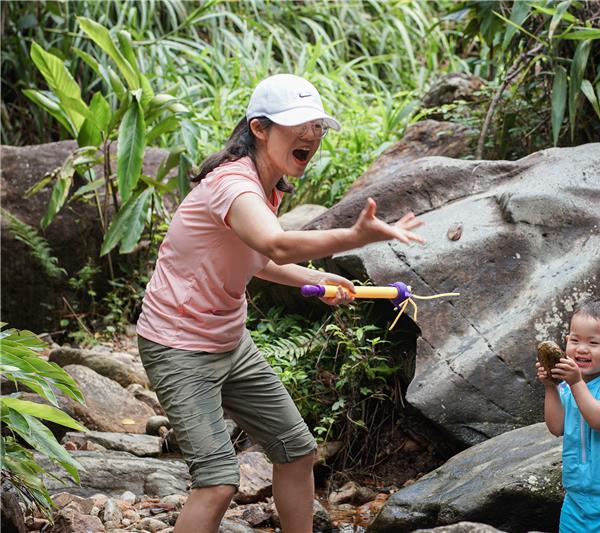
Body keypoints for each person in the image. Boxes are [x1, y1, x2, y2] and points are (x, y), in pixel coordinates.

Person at [136, 73, 424, 533]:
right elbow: (277, 243)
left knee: (297, 450)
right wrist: (351, 236)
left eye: (317, 126)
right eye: (298, 124)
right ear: (259, 128)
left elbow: (258, 257)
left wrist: (315, 277)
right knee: (216, 482)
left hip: (230, 342)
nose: (311, 134)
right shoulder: (232, 185)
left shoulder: (266, 184)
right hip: (179, 347)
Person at [536, 298, 600, 533]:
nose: (581, 349)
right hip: (575, 501)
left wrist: (575, 382)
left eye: (593, 342)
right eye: (574, 340)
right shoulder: (566, 387)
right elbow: (556, 427)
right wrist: (550, 386)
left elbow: (599, 420)